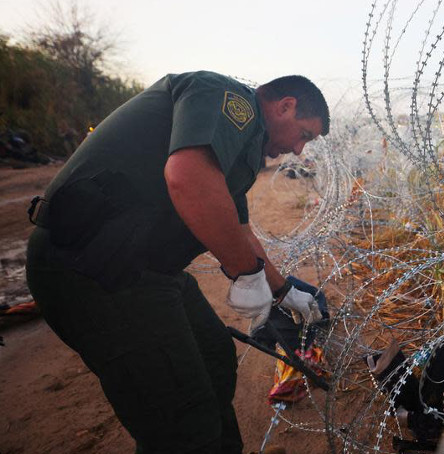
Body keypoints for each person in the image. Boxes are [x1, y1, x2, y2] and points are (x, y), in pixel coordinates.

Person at [25, 70, 330, 453]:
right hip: (91, 270)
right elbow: (187, 178)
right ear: (286, 106)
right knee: (182, 419)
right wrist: (245, 274)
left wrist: (283, 291)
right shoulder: (228, 98)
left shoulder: (240, 149)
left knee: (215, 358)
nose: (300, 151)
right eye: (304, 134)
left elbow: (241, 232)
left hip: (143, 270)